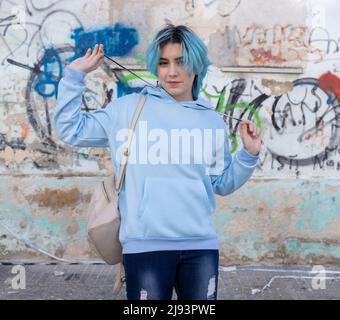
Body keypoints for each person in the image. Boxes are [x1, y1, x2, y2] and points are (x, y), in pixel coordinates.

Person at [54, 24, 261, 300]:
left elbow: (221, 183)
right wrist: (74, 76)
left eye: (181, 62)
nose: (172, 72)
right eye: (164, 63)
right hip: (144, 246)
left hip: (201, 247)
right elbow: (72, 129)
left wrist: (248, 155)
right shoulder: (128, 110)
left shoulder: (211, 121)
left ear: (197, 65)